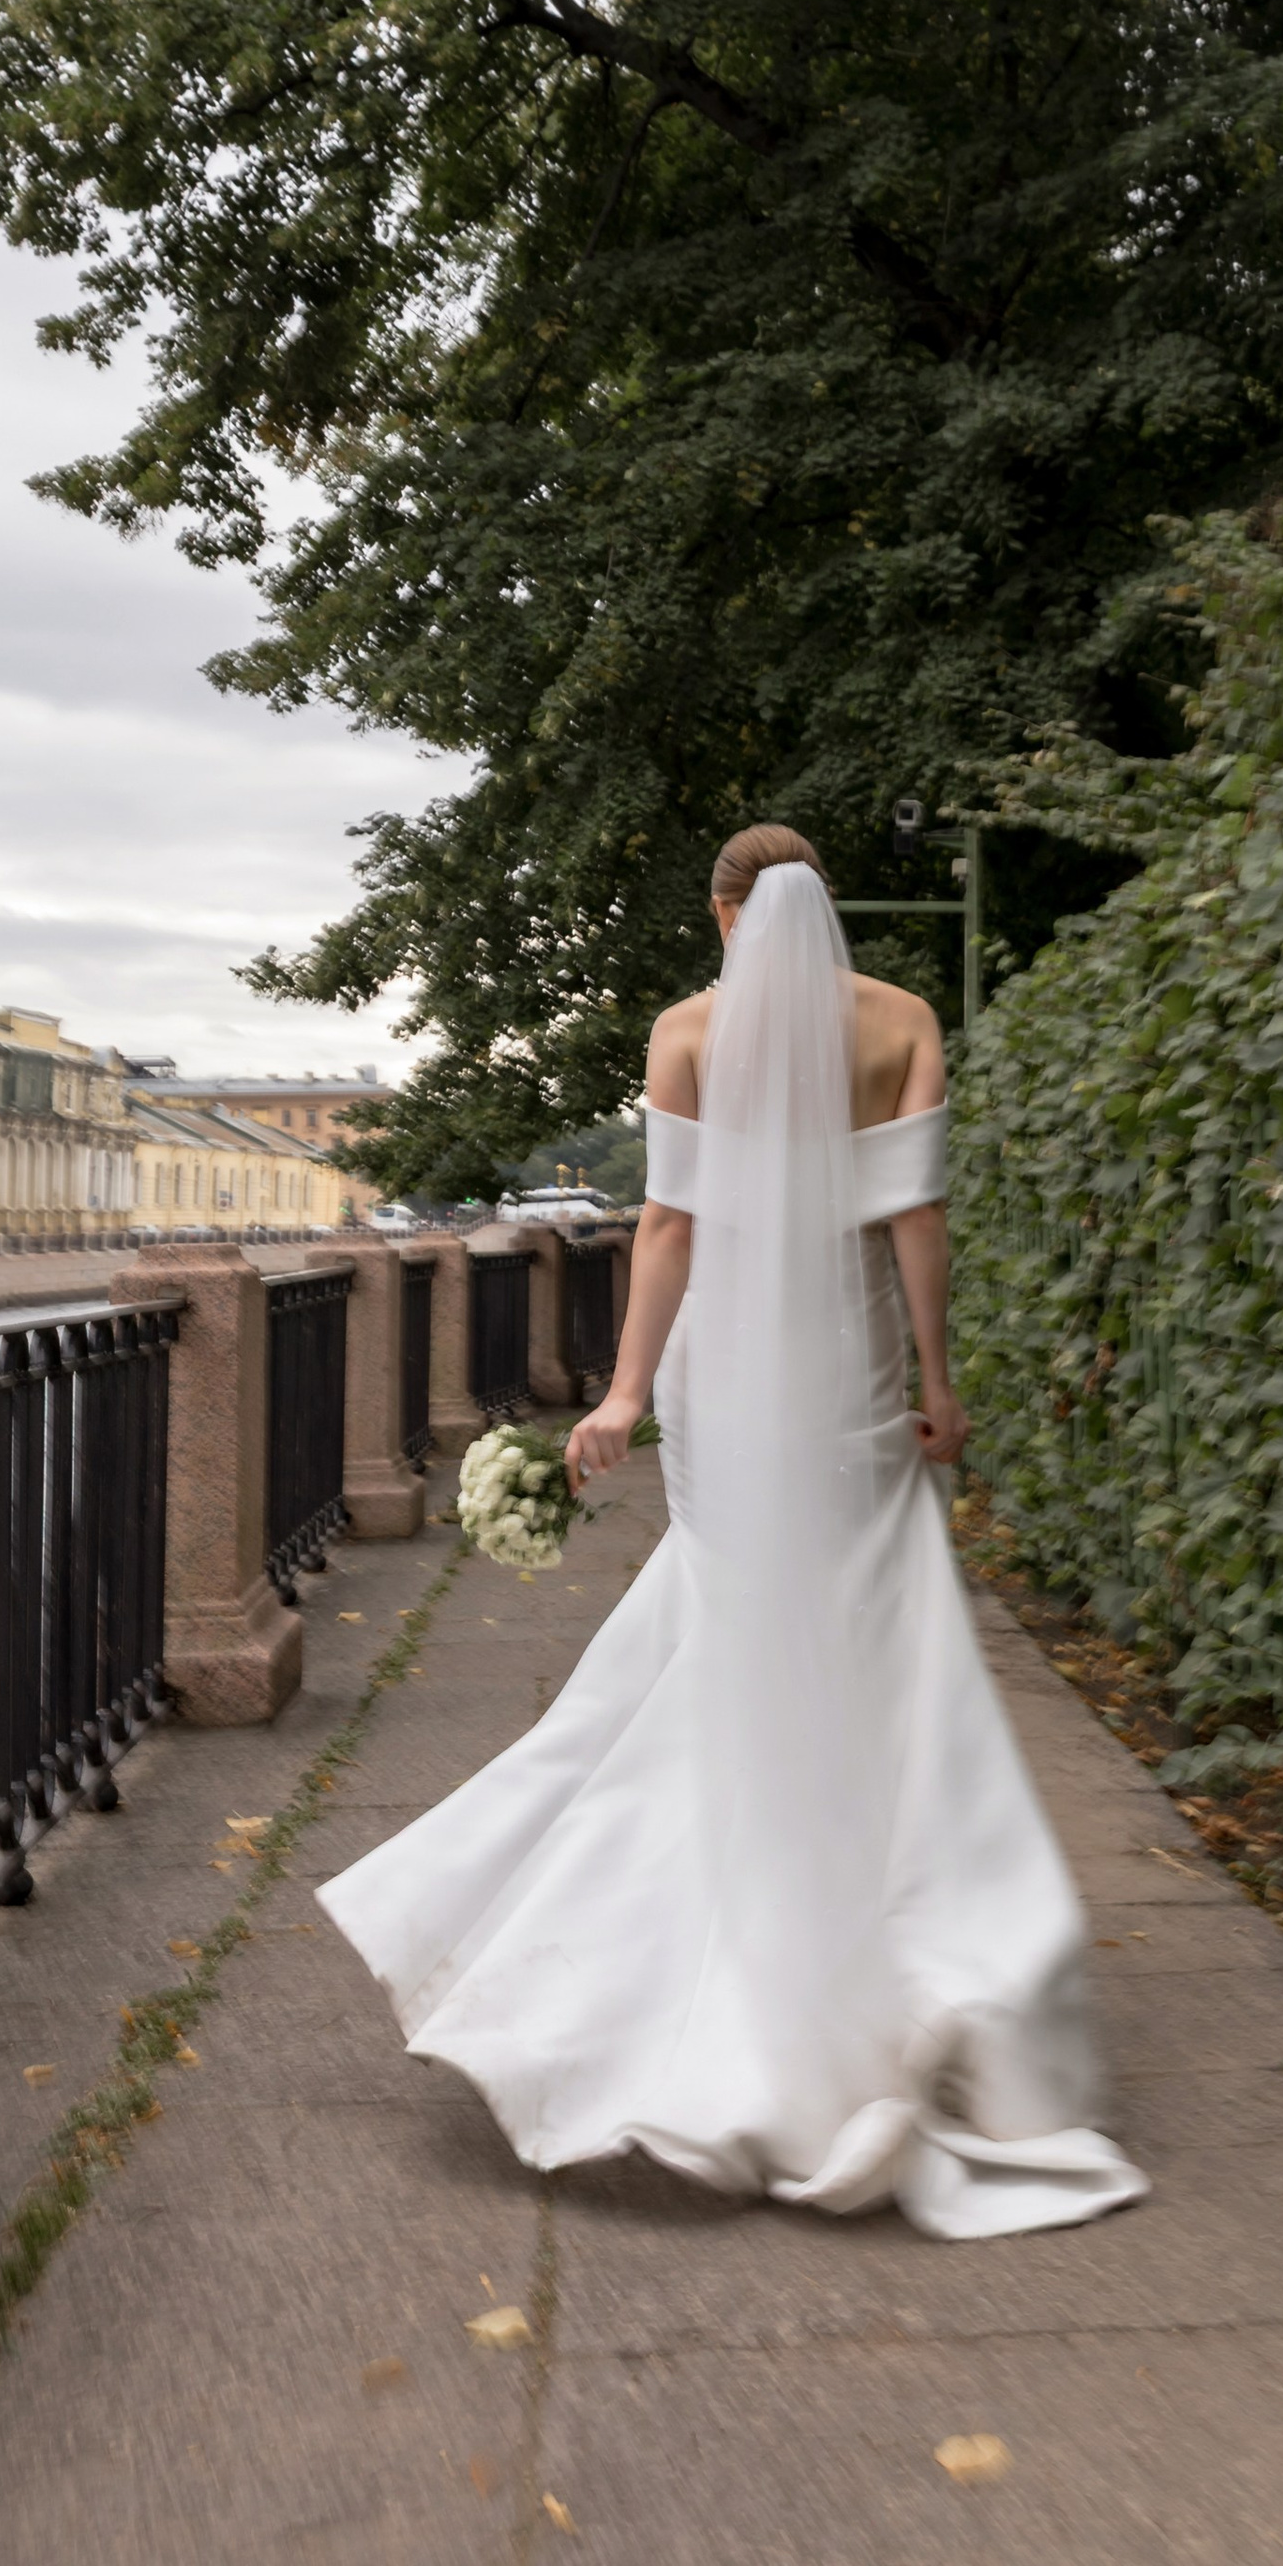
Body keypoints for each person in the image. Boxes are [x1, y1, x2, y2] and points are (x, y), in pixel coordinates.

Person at [316, 824, 1147, 2239]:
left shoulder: (688, 1032)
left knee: (726, 1622)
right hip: (853, 1368)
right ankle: (900, 1937)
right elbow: (916, 1215)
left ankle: (684, 1947)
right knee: (877, 1634)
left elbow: (669, 1226)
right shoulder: (905, 1021)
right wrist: (938, 1378)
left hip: (732, 1375)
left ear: (723, 917)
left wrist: (626, 1392)